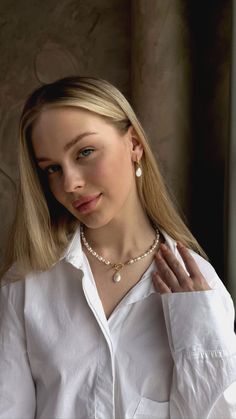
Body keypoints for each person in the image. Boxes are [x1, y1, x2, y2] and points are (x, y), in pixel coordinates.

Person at [0, 76, 236, 419]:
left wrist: (199, 327)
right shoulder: (26, 284)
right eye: (52, 168)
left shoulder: (198, 287)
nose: (70, 183)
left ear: (134, 145)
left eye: (85, 152)